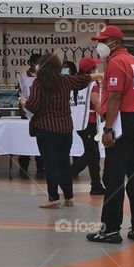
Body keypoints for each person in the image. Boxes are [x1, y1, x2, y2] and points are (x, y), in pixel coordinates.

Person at [86, 25, 134, 244]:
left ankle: (111, 230)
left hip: (121, 122)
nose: (99, 45)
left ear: (114, 42)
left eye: (102, 41)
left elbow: (114, 98)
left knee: (113, 177)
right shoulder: (133, 61)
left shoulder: (115, 63)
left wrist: (108, 129)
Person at [23, 52, 91, 209]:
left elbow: (33, 106)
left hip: (46, 129)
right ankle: (68, 197)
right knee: (64, 163)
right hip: (65, 128)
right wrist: (98, 75)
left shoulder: (39, 84)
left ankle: (53, 198)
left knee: (50, 165)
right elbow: (82, 80)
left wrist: (23, 102)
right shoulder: (66, 80)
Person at [72, 56, 105, 195]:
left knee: (93, 154)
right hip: (89, 122)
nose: (97, 69)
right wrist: (104, 116)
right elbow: (96, 103)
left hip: (78, 122)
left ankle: (96, 185)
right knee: (92, 154)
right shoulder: (92, 84)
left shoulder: (75, 82)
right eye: (95, 67)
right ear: (91, 70)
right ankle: (66, 174)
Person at [17, 52, 45, 181]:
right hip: (27, 111)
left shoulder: (44, 76)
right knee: (25, 141)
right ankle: (23, 166)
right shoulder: (23, 76)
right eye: (38, 62)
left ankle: (41, 166)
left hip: (40, 113)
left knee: (41, 141)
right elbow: (20, 95)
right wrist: (21, 110)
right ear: (32, 63)